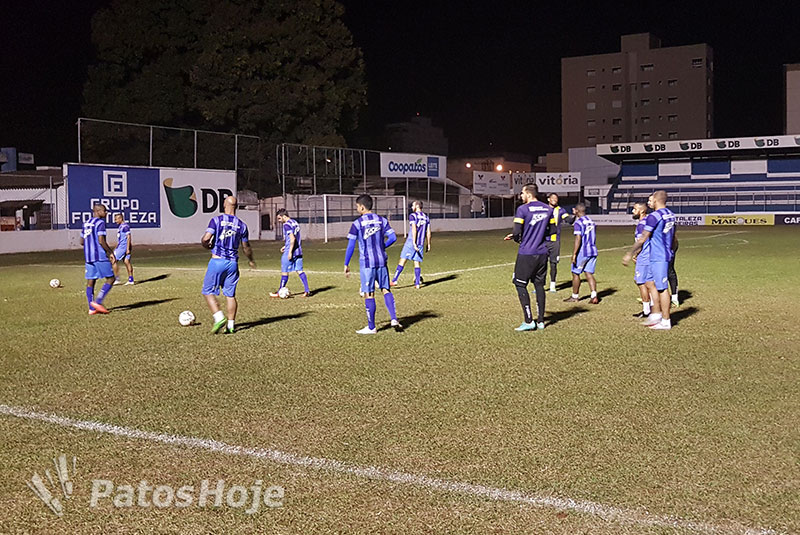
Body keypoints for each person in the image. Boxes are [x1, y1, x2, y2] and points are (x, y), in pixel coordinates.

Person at [344, 194, 401, 334]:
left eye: (357, 206)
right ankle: (393, 318)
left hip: (367, 263)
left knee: (369, 293)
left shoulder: (357, 223)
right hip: (382, 260)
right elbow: (393, 237)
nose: (357, 209)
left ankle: (371, 327)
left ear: (362, 207)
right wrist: (383, 247)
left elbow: (351, 246)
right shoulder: (382, 220)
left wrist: (346, 263)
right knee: (385, 289)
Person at [623, 190, 677, 330]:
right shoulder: (671, 215)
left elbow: (643, 238)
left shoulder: (654, 216)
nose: (649, 202)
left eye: (651, 200)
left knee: (662, 288)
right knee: (650, 282)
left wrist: (630, 254)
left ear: (657, 200)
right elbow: (674, 238)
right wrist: (671, 251)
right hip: (662, 254)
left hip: (658, 256)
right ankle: (655, 314)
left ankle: (665, 321)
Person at [201, 196, 256, 334]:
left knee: (208, 291)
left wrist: (204, 244)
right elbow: (246, 247)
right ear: (236, 207)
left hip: (217, 261)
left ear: (225, 204)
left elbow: (206, 238)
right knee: (230, 295)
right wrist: (250, 259)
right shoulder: (242, 225)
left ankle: (219, 317)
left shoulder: (216, 220)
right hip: (232, 263)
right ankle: (231, 325)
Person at [504, 183, 552, 331]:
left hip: (527, 253)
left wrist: (517, 238)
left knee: (519, 284)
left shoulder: (522, 209)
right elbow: (551, 230)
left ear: (529, 194)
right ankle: (541, 321)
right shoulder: (548, 209)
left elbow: (517, 231)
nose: (521, 196)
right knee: (539, 285)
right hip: (542, 252)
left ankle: (529, 320)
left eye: (522, 193)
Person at [81, 204, 117, 315]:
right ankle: (98, 302)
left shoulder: (86, 223)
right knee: (111, 279)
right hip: (99, 256)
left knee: (91, 281)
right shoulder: (100, 223)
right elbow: (101, 241)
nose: (106, 213)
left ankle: (91, 308)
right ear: (98, 211)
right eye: (105, 211)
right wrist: (110, 252)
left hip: (88, 257)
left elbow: (82, 242)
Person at [269, 209, 310, 297]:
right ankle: (307, 290)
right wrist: (285, 246)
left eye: (279, 219)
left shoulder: (286, 225)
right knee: (299, 270)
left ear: (284, 216)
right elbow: (294, 237)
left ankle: (280, 292)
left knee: (284, 272)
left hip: (291, 251)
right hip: (298, 250)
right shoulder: (294, 222)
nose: (279, 221)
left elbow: (292, 238)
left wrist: (290, 252)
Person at [390, 201, 431, 289]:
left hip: (412, 242)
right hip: (421, 243)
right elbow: (428, 232)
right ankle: (417, 284)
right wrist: (428, 243)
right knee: (417, 262)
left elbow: (414, 229)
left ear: (417, 206)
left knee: (403, 260)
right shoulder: (426, 217)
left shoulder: (413, 216)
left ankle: (394, 280)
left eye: (412, 205)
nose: (412, 207)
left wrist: (413, 243)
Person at [564, 203, 599, 304]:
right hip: (593, 250)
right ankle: (594, 296)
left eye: (574, 210)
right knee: (589, 273)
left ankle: (575, 296)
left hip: (583, 251)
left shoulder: (578, 223)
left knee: (575, 273)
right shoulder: (591, 221)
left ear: (577, 211)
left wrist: (574, 254)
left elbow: (578, 238)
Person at [544, 193, 574, 293]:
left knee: (553, 264)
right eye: (552, 198)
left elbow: (568, 220)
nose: (554, 200)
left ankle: (552, 285)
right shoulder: (543, 209)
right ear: (548, 199)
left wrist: (574, 216)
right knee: (540, 264)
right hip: (542, 240)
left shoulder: (561, 210)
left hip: (554, 241)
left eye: (556, 198)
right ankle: (539, 285)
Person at [631, 201, 653, 318]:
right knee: (649, 283)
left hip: (644, 257)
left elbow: (641, 242)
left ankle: (646, 310)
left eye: (635, 209)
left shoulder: (641, 225)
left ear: (642, 211)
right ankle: (654, 306)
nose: (633, 211)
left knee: (641, 282)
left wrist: (634, 254)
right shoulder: (647, 221)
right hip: (651, 256)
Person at [112, 213, 134, 285]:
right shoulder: (121, 227)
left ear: (120, 219)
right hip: (122, 246)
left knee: (113, 260)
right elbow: (121, 239)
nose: (115, 221)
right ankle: (131, 280)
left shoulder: (125, 226)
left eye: (116, 219)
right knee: (127, 261)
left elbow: (128, 237)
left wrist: (127, 248)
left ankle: (117, 279)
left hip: (123, 247)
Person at [668, 241, 680, 307]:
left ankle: (674, 298)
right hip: (669, 248)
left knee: (670, 272)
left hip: (666, 250)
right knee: (670, 272)